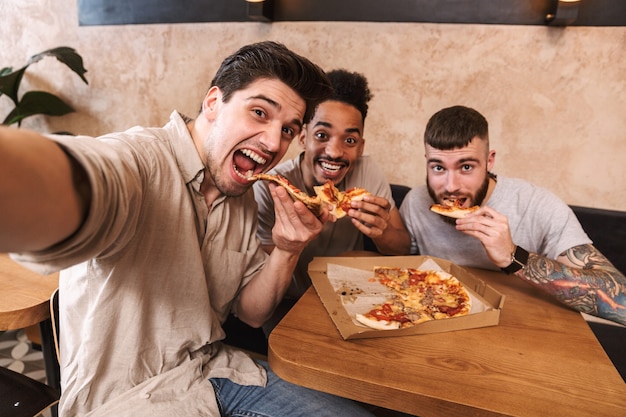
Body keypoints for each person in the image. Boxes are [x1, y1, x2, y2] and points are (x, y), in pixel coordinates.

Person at [0, 41, 378, 417]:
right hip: (129, 399)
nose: (273, 142)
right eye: (260, 112)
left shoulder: (242, 193)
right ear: (213, 102)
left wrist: (286, 248)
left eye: (288, 129)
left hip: (217, 371)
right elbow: (82, 178)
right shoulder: (140, 161)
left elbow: (251, 313)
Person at [399, 105, 626, 325]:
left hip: (528, 330)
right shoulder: (416, 202)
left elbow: (622, 302)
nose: (451, 186)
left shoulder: (538, 205)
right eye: (438, 167)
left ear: (489, 161)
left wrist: (514, 257)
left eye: (466, 167)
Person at [254, 69, 410, 329]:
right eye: (322, 135)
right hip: (290, 303)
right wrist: (293, 244)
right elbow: (266, 284)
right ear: (302, 137)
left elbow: (402, 248)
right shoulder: (272, 186)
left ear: (360, 147)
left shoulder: (366, 172)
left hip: (350, 295)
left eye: (349, 140)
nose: (335, 152)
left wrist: (381, 233)